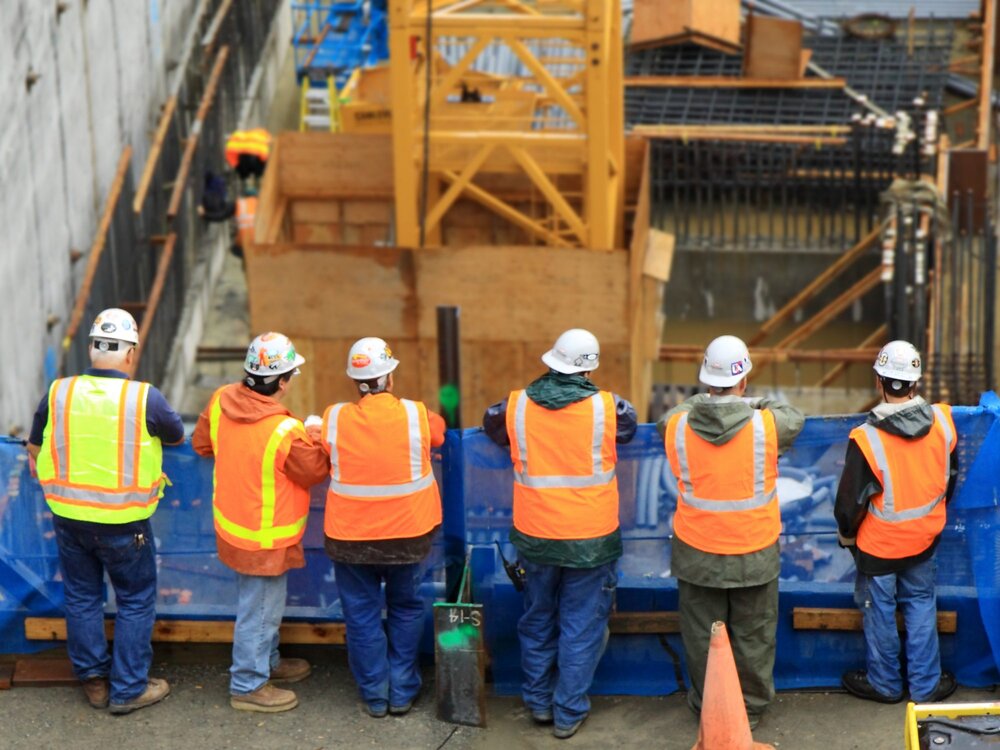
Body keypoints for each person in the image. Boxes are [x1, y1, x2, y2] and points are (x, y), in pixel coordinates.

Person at [27, 308, 184, 713]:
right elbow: (176, 434)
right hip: (124, 522)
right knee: (134, 600)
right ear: (130, 354)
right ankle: (128, 688)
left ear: (92, 349)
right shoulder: (144, 397)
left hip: (69, 518)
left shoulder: (59, 391)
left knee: (81, 596)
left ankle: (94, 680)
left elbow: (34, 443)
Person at [482, 328, 637, 740]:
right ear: (589, 369)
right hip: (591, 538)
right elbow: (630, 427)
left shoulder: (515, 406)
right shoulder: (607, 408)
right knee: (581, 625)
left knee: (537, 619)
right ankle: (568, 711)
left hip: (536, 536)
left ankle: (537, 703)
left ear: (551, 361)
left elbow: (490, 425)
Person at [658, 334, 804, 730]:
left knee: (702, 639)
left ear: (706, 380)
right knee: (753, 637)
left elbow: (669, 416)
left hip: (697, 552)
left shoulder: (677, 426)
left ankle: (709, 707)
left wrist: (707, 399)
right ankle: (752, 709)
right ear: (743, 381)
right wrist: (749, 402)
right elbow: (794, 416)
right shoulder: (766, 426)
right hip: (753, 550)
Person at [192, 332, 329, 713]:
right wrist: (315, 432)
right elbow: (315, 469)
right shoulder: (284, 430)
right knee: (261, 609)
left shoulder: (221, 401)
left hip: (233, 528)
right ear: (282, 382)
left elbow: (202, 444)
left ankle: (267, 664)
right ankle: (248, 684)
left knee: (259, 605)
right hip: (266, 539)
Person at [318, 337, 445, 718]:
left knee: (361, 615)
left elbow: (314, 440)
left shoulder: (334, 418)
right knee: (405, 608)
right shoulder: (417, 415)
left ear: (355, 381)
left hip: (351, 539)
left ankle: (375, 694)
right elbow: (439, 433)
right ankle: (402, 691)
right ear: (389, 376)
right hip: (408, 536)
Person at [835, 340, 958, 704]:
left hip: (879, 547)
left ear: (879, 381)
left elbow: (848, 506)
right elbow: (949, 477)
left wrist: (847, 534)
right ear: (916, 383)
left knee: (879, 611)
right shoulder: (943, 423)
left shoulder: (867, 438)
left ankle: (886, 684)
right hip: (924, 539)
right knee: (921, 603)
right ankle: (925, 685)